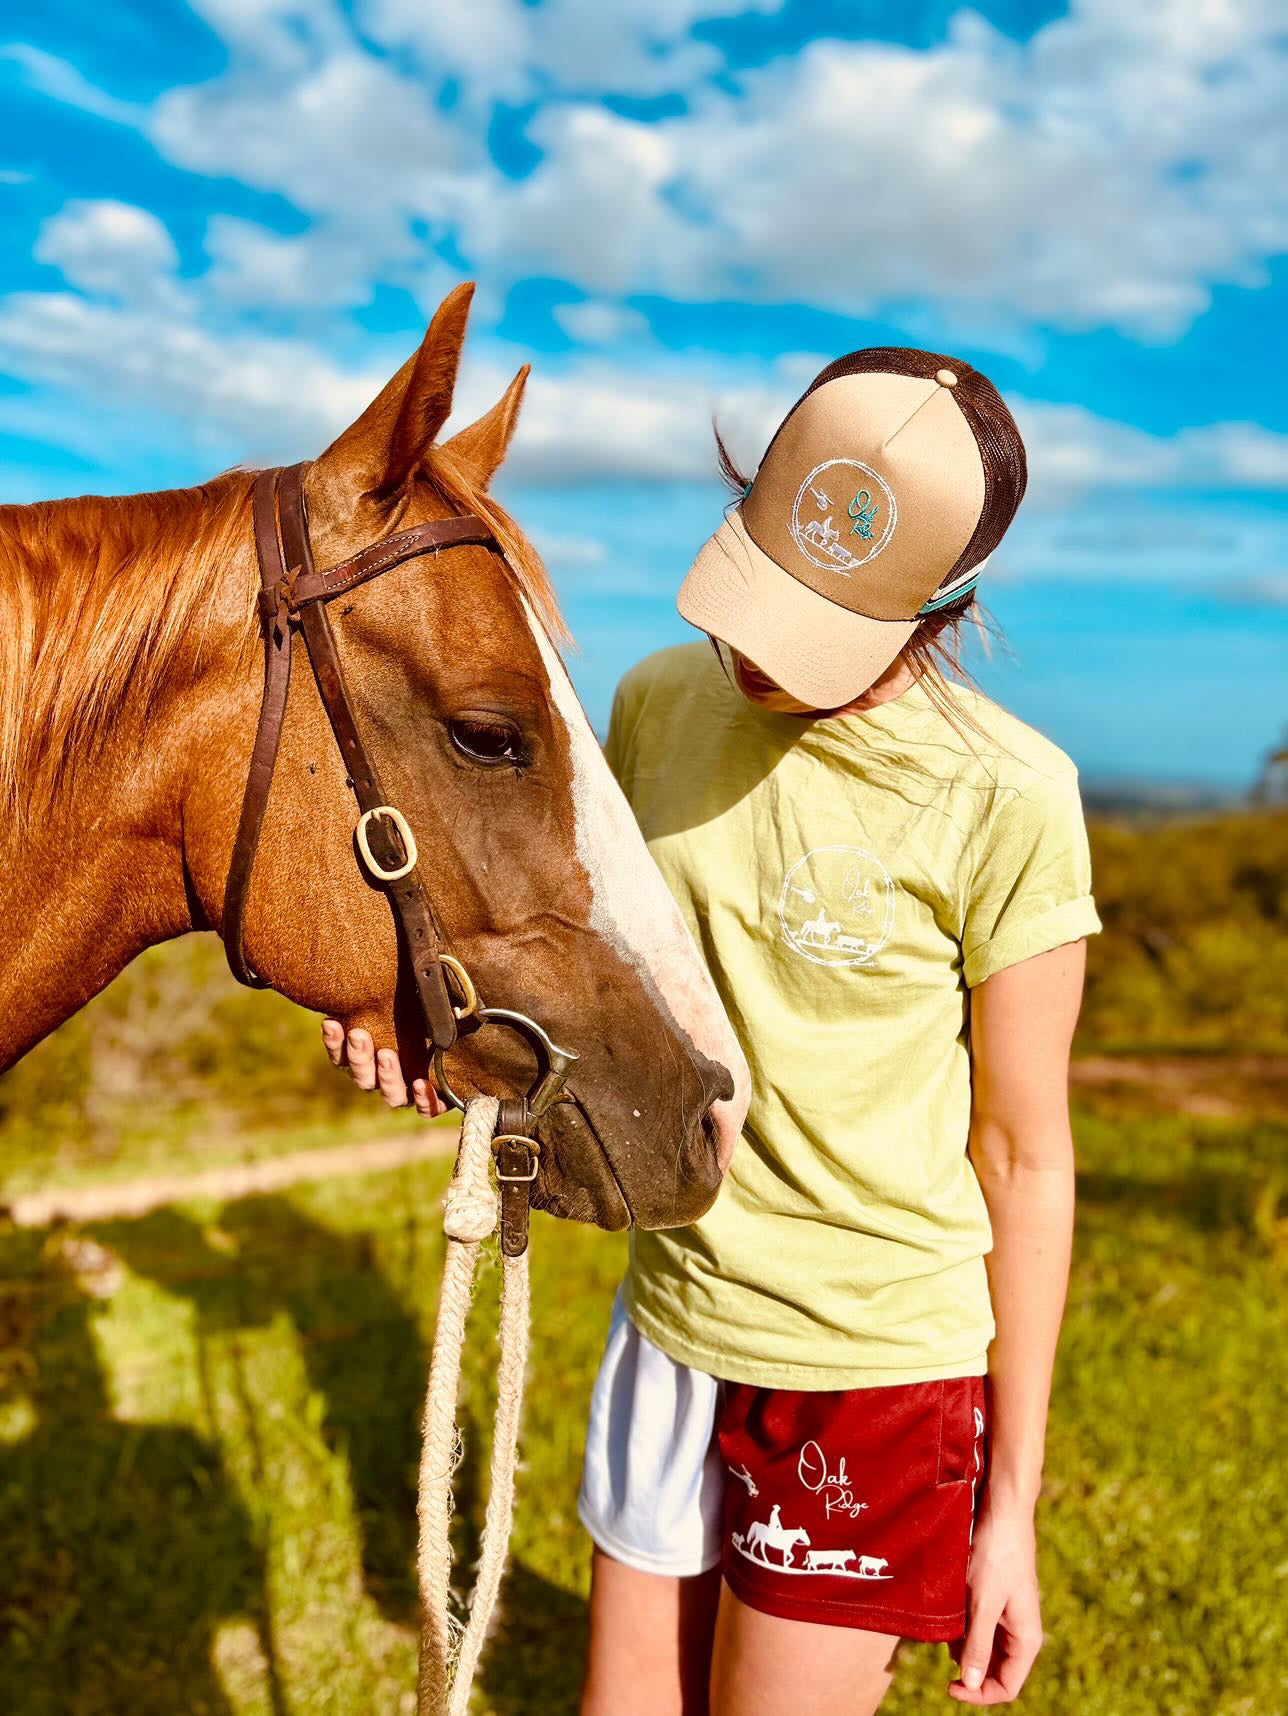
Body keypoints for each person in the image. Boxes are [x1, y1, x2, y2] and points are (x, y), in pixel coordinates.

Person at [323, 347, 1100, 1714]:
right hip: (672, 1316)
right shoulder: (657, 702)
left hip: (870, 1366)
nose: (750, 654)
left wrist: (1012, 1505)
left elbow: (1025, 1156)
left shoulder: (1013, 798)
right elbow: (579, 961)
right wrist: (412, 1021)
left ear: (938, 605)